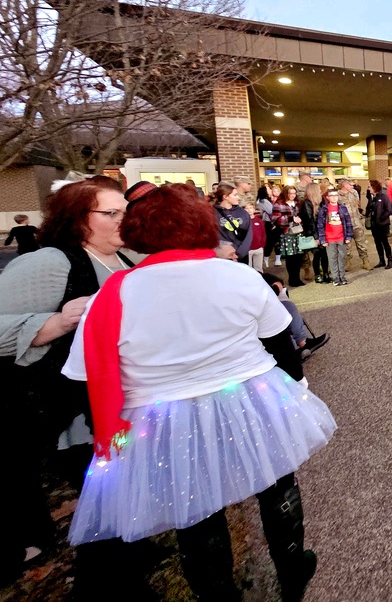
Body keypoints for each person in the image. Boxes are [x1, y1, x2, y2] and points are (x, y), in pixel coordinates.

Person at [62, 184, 336, 602]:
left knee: (195, 508)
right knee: (277, 481)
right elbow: (281, 342)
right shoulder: (237, 275)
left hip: (163, 416)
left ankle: (218, 593)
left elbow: (85, 376)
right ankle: (292, 568)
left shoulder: (114, 294)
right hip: (250, 394)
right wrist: (296, 388)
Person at [0, 177, 140, 588]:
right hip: (60, 408)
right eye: (110, 213)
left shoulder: (127, 260)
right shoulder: (50, 262)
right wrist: (57, 322)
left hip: (109, 406)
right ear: (78, 219)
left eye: (125, 211)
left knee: (116, 500)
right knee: (106, 503)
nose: (122, 220)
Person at [317, 188, 353, 286]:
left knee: (342, 258)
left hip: (341, 237)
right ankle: (336, 278)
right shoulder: (324, 209)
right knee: (332, 259)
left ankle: (342, 277)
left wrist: (349, 236)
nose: (334, 197)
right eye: (332, 195)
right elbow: (320, 225)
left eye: (336, 195)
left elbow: (348, 222)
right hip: (329, 238)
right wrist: (322, 239)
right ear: (328, 197)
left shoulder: (342, 207)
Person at [272, 185, 305, 287]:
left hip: (299, 233)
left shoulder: (297, 204)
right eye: (290, 193)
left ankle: (297, 278)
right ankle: (292, 279)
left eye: (294, 193)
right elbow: (275, 220)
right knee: (291, 258)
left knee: (299, 257)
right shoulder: (279, 204)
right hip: (287, 234)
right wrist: (291, 219)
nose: (292, 195)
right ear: (285, 193)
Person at [212, 183, 252, 263]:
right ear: (225, 197)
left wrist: (240, 253)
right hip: (223, 257)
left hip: (241, 256)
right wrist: (227, 252)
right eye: (235, 195)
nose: (238, 197)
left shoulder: (243, 213)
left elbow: (248, 234)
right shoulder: (212, 213)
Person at [300, 182, 325, 283]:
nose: (320, 190)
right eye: (318, 189)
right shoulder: (306, 203)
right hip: (313, 232)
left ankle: (324, 272)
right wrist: (316, 237)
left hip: (321, 231)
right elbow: (309, 221)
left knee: (323, 253)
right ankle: (317, 274)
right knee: (317, 254)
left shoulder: (321, 201)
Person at [368, 180, 392, 269]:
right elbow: (368, 210)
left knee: (385, 242)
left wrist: (381, 218)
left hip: (383, 224)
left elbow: (389, 210)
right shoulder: (372, 198)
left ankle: (390, 260)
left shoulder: (384, 197)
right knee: (377, 243)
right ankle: (381, 260)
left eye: (370, 187)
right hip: (374, 225)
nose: (368, 188)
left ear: (374, 187)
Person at [247, 202, 266, 272]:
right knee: (248, 269)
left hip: (258, 247)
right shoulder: (244, 221)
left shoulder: (259, 221)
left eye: (250, 208)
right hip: (248, 249)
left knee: (259, 268)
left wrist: (262, 245)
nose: (249, 210)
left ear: (254, 209)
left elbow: (263, 234)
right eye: (246, 208)